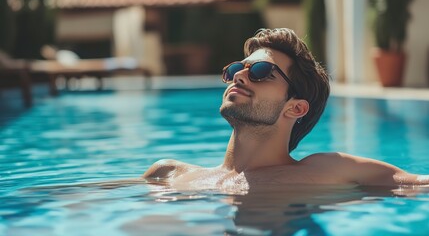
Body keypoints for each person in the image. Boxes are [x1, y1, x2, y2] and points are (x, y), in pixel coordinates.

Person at [142, 28, 429, 191]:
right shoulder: (168, 173)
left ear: (295, 108)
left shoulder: (328, 170)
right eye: (235, 70)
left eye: (262, 71)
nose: (240, 76)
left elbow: (417, 184)